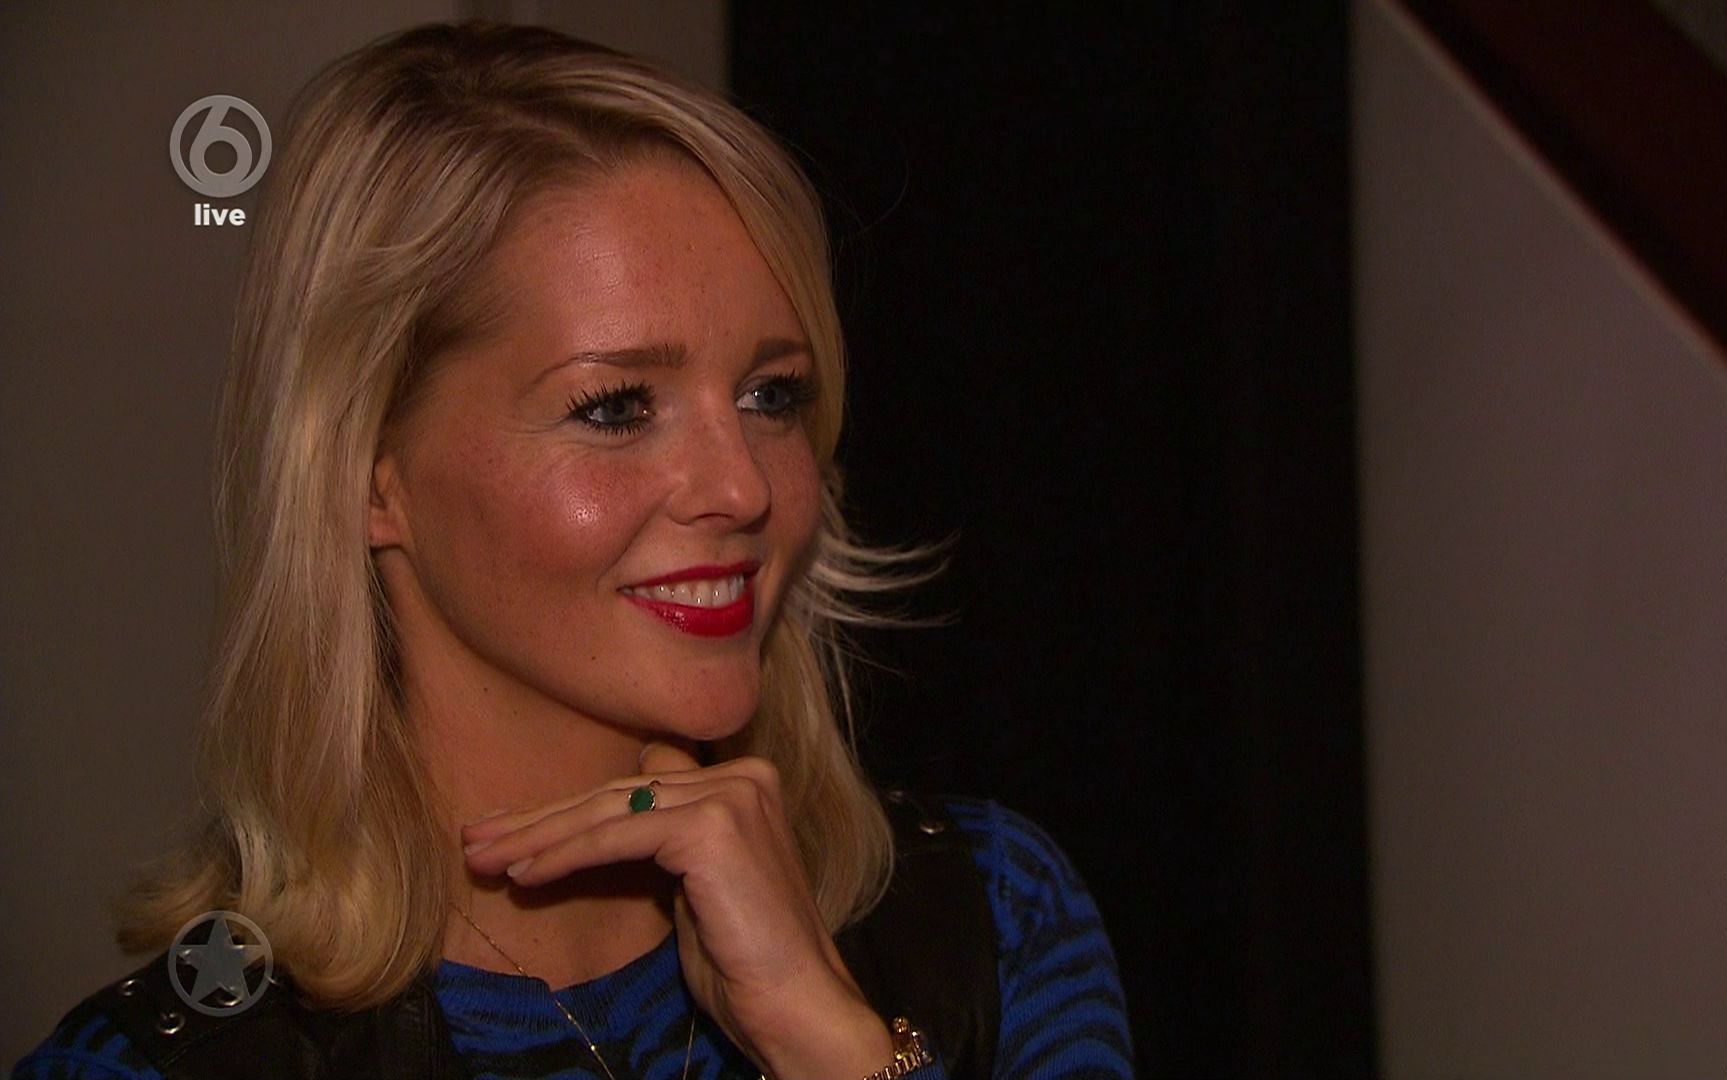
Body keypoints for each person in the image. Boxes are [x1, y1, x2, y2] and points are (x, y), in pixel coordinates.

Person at [11, 20, 1131, 1080]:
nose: (741, 486)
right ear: (367, 473)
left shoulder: (989, 917)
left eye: (770, 394)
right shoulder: (152, 1065)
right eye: (615, 407)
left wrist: (828, 1041)